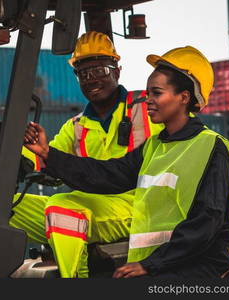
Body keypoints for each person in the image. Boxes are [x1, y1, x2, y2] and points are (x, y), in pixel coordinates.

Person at [23, 45, 229, 278]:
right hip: (164, 261)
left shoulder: (212, 148)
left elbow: (206, 222)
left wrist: (150, 265)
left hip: (204, 264)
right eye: (148, 93)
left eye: (156, 93)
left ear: (184, 97)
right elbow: (109, 175)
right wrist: (47, 153)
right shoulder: (154, 147)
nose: (147, 100)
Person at [10, 31, 163, 278]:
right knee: (6, 207)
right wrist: (15, 151)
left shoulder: (148, 108)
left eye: (100, 70)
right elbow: (43, 157)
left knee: (62, 208)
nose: (92, 79)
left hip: (142, 205)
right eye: (83, 73)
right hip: (93, 209)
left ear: (117, 70)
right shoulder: (76, 126)